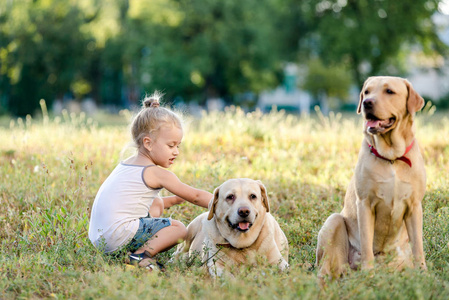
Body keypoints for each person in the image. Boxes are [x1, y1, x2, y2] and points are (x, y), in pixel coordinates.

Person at [88, 92, 212, 270]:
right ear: (148, 143)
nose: (176, 152)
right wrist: (225, 205)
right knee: (179, 229)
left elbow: (133, 202)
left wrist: (177, 199)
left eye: (178, 146)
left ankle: (130, 252)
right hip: (118, 236)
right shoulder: (155, 172)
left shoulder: (127, 164)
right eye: (171, 146)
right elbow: (196, 196)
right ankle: (140, 256)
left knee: (156, 202)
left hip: (100, 239)